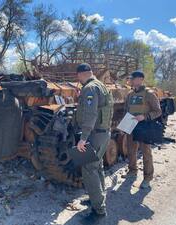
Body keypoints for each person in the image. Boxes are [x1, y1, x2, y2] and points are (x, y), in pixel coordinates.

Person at [75, 63, 113, 221]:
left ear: (81, 74)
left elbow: (90, 115)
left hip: (94, 134)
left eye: (78, 76)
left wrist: (83, 138)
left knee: (89, 169)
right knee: (97, 167)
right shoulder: (101, 85)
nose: (77, 79)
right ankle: (97, 197)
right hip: (103, 133)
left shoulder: (90, 88)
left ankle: (98, 210)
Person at [122, 71, 162, 189]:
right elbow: (126, 111)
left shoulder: (149, 94)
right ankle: (132, 171)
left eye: (132, 78)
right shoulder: (130, 94)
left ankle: (147, 178)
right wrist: (124, 126)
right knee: (130, 149)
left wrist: (144, 117)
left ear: (140, 79)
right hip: (131, 125)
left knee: (146, 152)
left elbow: (158, 111)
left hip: (145, 126)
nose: (130, 80)